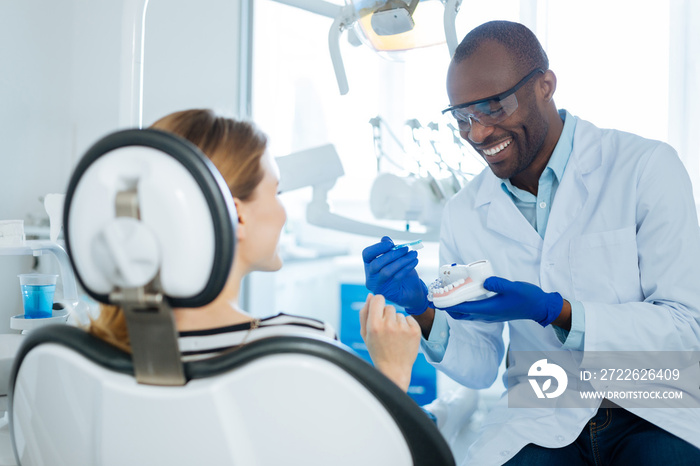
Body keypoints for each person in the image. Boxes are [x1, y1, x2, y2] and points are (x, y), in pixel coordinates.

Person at [362, 20, 700, 465]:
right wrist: (422, 310)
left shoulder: (645, 168)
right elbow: (482, 365)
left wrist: (555, 311)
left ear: (546, 85)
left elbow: (685, 329)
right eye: (463, 117)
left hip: (652, 401)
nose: (478, 133)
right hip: (545, 406)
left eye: (494, 108)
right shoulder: (465, 212)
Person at [88, 109, 421, 392]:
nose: (283, 212)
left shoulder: (93, 352)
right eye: (275, 192)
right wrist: (392, 370)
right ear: (237, 216)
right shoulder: (300, 349)